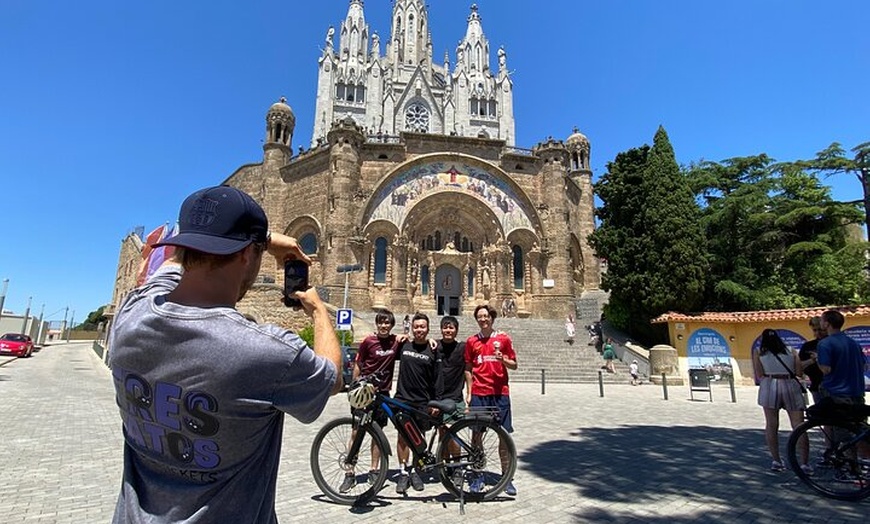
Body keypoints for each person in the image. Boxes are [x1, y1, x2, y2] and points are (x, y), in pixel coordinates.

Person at [108, 185, 342, 523]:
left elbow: (169, 262)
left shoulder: (130, 316)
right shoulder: (267, 353)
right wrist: (318, 311)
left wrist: (257, 241)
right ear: (247, 254)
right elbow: (331, 378)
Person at [340, 308, 404, 492]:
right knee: (356, 432)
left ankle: (374, 470)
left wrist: (405, 336)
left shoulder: (395, 342)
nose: (384, 326)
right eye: (381, 322)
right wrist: (354, 387)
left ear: (391, 325)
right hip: (364, 393)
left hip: (382, 394)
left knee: (377, 433)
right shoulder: (368, 341)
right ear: (377, 324)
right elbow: (359, 365)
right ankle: (350, 472)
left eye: (387, 323)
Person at [465, 304, 518, 496]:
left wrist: (503, 359)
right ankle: (477, 475)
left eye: (486, 316)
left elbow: (514, 364)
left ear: (492, 318)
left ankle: (506, 476)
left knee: (503, 435)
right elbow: (468, 368)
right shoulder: (472, 341)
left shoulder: (503, 339)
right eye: (480, 316)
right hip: (479, 394)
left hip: (500, 393)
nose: (483, 319)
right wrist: (469, 393)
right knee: (476, 435)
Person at [394, 312, 439, 494]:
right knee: (402, 437)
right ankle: (403, 472)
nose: (419, 329)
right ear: (412, 328)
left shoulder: (433, 349)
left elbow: (437, 378)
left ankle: (416, 471)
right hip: (403, 398)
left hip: (422, 401)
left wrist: (435, 402)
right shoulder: (403, 345)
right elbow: (384, 344)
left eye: (422, 327)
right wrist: (397, 336)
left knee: (419, 437)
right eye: (416, 326)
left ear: (428, 329)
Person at [752, 328, 809, 473]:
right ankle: (804, 463)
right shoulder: (791, 350)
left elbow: (759, 374)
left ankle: (776, 461)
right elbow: (798, 372)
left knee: (771, 425)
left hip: (770, 384)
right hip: (790, 384)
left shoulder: (758, 352)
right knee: (799, 426)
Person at [434, 316, 471, 486]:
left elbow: (469, 370)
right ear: (441, 329)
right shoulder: (435, 346)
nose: (448, 330)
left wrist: (469, 393)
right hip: (439, 398)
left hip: (455, 398)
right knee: (442, 434)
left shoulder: (463, 347)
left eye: (451, 328)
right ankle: (446, 465)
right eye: (445, 327)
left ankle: (457, 467)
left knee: (452, 433)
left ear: (456, 330)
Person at [798, 316, 827, 405]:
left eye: (820, 330)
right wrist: (812, 360)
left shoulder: (833, 343)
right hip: (816, 386)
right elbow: (799, 365)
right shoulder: (808, 346)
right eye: (815, 330)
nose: (818, 333)